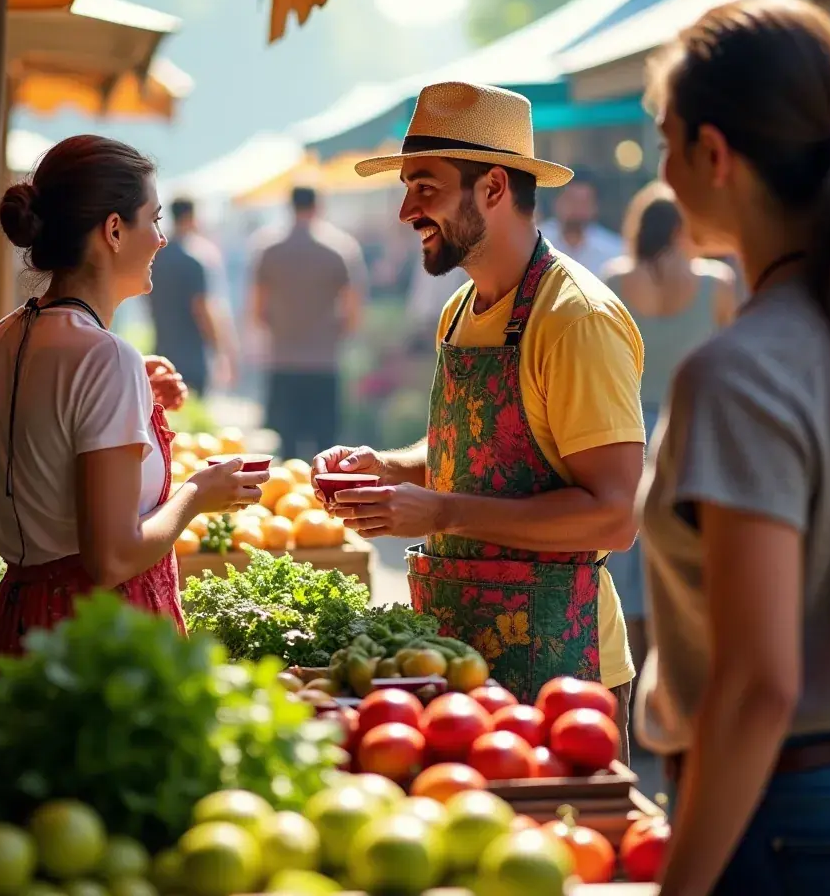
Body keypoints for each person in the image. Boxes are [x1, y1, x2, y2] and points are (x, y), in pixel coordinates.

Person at [313, 82, 646, 759]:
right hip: (461, 657)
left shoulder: (575, 318)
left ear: (493, 187)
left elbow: (614, 516)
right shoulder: (461, 307)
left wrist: (438, 512)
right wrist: (386, 468)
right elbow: (474, 455)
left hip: (564, 671)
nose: (407, 210)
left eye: (425, 188)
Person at [635, 0, 830, 894]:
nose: (661, 171)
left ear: (712, 153)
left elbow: (758, 685)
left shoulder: (741, 373)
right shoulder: (829, 339)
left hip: (780, 820)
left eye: (665, 142)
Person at [0, 135, 268, 680]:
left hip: (18, 621)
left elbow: (47, 433)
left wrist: (132, 388)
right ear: (114, 231)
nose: (161, 239)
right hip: (94, 643)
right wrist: (197, 495)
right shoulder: (104, 357)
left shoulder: (6, 337)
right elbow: (110, 557)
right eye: (153, 219)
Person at [601, 181, 737, 674]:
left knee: (627, 562)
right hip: (692, 433)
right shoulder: (717, 283)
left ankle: (632, 681)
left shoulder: (614, 281)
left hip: (626, 431)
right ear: (681, 228)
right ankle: (675, 677)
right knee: (681, 558)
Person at [249, 185, 367, 461]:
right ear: (318, 206)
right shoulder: (340, 249)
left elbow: (256, 309)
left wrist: (280, 330)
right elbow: (353, 312)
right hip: (324, 362)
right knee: (326, 448)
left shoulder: (269, 249)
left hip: (283, 359)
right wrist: (333, 335)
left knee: (286, 447)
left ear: (290, 206)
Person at [147, 198, 222, 398]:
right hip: (192, 354)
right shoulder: (193, 260)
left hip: (162, 348)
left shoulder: (156, 258)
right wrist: (218, 348)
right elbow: (202, 309)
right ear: (191, 217)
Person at [538, 167, 623, 278]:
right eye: (571, 200)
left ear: (595, 207)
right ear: (557, 202)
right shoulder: (536, 244)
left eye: (584, 202)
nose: (577, 208)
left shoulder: (614, 252)